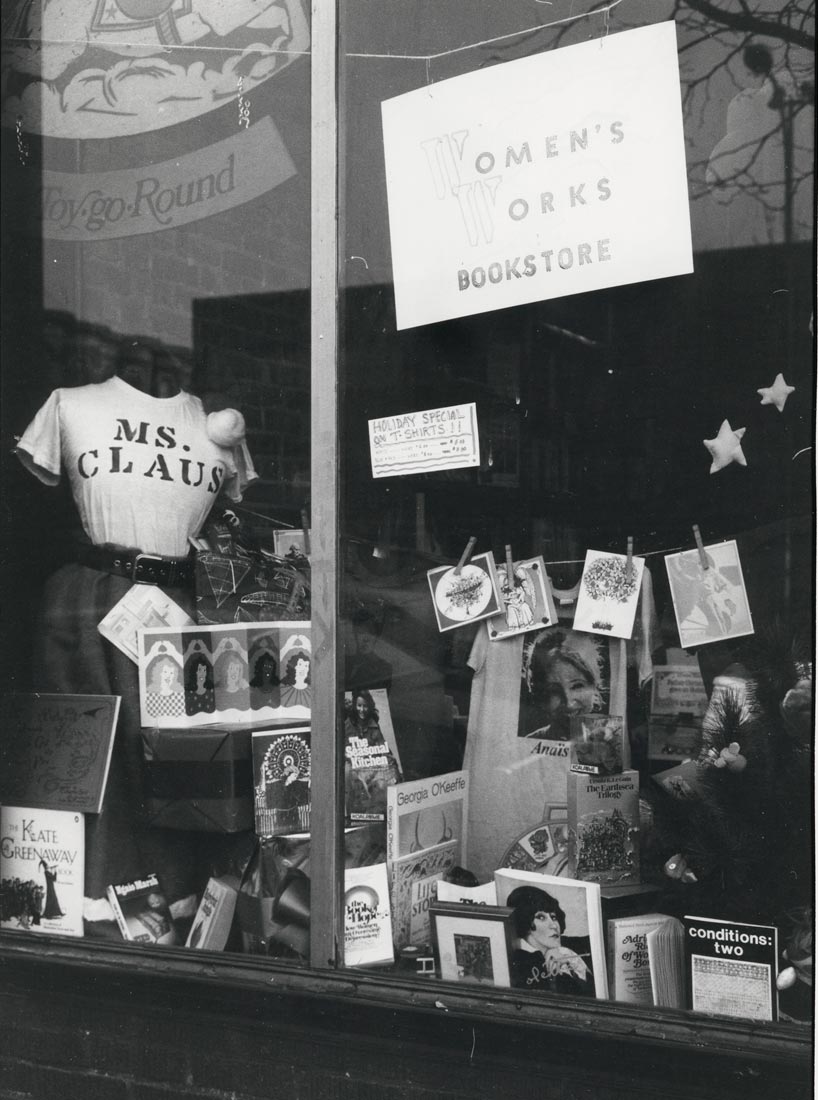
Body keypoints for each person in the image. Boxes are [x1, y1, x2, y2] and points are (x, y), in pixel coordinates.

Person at [506, 885, 594, 996]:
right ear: (525, 921)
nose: (553, 925)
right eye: (541, 917)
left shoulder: (567, 945)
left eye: (553, 917)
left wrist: (570, 957)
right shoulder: (521, 961)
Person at [521, 628, 606, 739]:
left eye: (577, 686)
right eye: (554, 691)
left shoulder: (610, 738)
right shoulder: (531, 741)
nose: (569, 704)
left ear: (594, 686)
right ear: (540, 694)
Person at [184, 651, 215, 716]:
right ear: (194, 672)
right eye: (199, 670)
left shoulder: (210, 691)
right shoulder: (189, 693)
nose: (202, 674)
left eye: (204, 670)